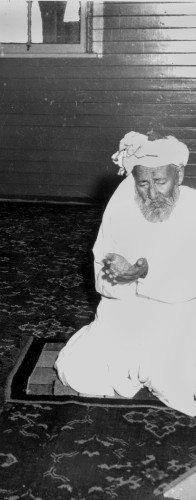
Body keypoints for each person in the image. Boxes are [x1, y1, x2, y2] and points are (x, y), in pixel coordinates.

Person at [54, 131, 196, 416]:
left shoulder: (193, 208)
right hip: (123, 316)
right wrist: (121, 275)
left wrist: (144, 273)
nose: (152, 193)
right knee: (76, 369)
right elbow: (101, 273)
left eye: (160, 182)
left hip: (178, 318)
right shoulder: (121, 206)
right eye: (143, 183)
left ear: (178, 175)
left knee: (179, 382)